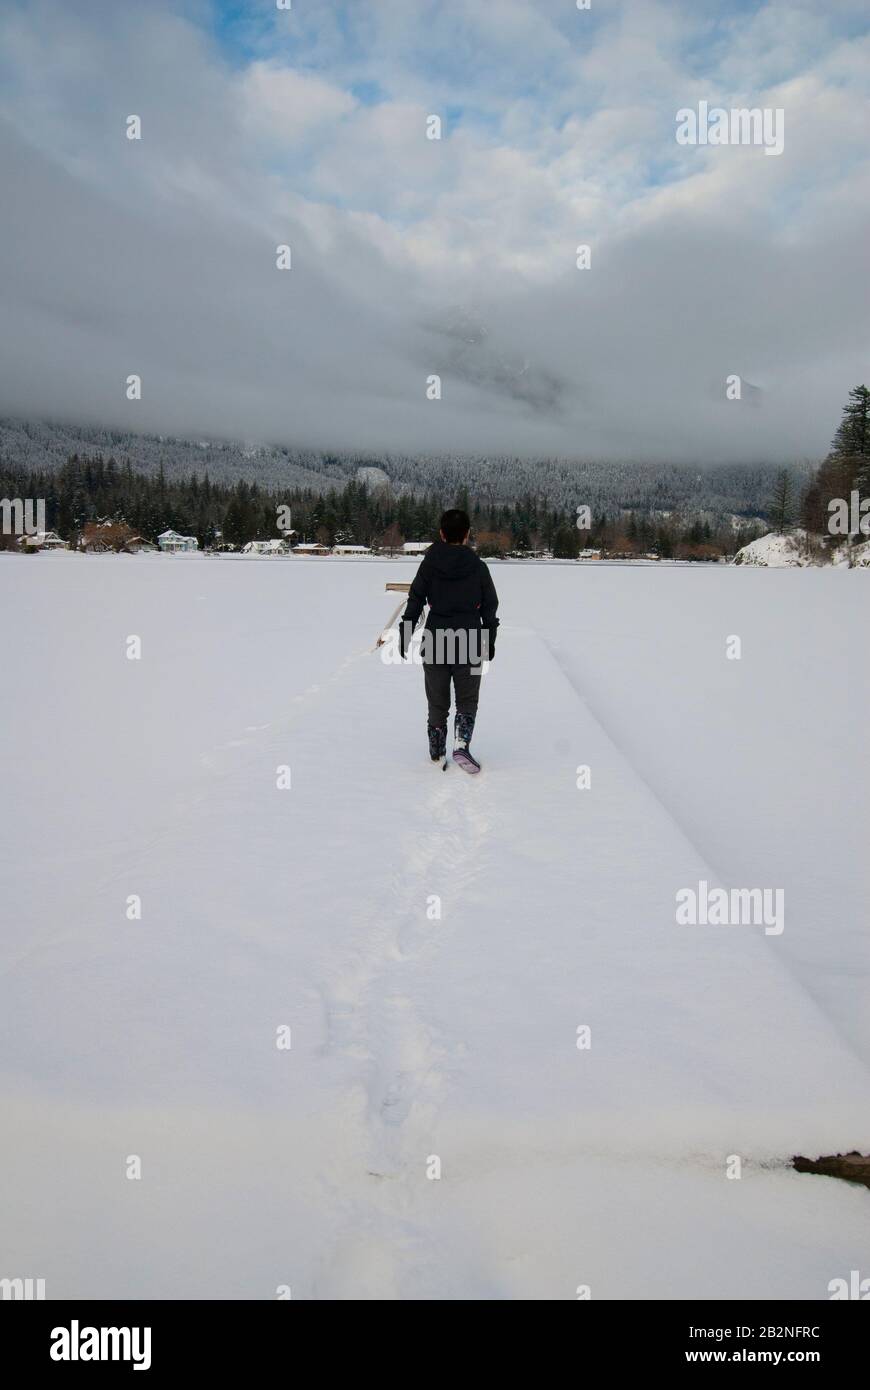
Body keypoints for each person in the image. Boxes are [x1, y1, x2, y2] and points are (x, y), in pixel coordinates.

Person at [398, 509, 499, 773]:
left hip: (435, 640)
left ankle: (436, 751)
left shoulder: (429, 565)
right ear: (467, 535)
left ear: (441, 534)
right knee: (467, 700)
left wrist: (407, 629)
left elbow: (416, 597)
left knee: (437, 701)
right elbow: (490, 605)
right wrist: (490, 636)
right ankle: (461, 744)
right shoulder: (478, 567)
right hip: (470, 641)